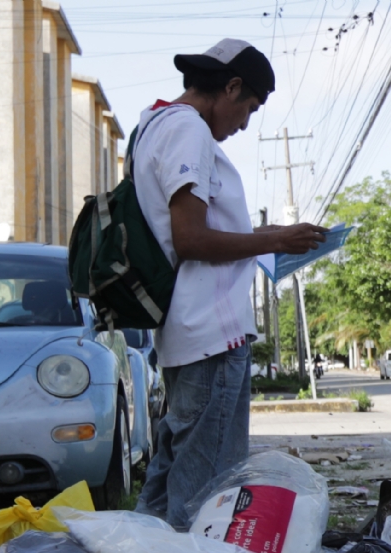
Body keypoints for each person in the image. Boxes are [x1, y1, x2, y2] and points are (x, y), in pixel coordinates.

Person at [133, 39, 326, 528]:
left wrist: (276, 238)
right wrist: (272, 239)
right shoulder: (188, 130)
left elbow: (188, 235)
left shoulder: (151, 125)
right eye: (249, 109)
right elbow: (191, 239)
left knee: (167, 484)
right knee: (207, 498)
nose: (243, 124)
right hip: (210, 337)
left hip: (185, 334)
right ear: (232, 87)